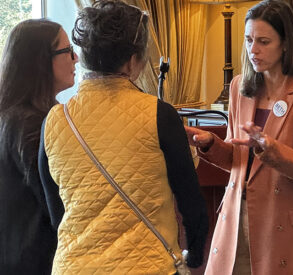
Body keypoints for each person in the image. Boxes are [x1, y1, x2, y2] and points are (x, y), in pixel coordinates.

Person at [38, 1, 208, 274]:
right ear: (133, 60)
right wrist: (195, 255)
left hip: (73, 266)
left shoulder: (55, 120)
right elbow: (191, 203)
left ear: (83, 56)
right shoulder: (159, 114)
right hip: (148, 265)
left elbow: (56, 210)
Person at [186, 0, 293, 274]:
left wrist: (271, 149)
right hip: (236, 221)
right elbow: (237, 161)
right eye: (249, 40)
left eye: (263, 41)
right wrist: (210, 144)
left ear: (286, 43)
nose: (253, 50)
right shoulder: (239, 87)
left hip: (283, 225)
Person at [0, 19, 78, 274]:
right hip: (36, 259)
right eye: (67, 51)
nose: (75, 58)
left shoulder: (12, 115)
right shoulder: (33, 123)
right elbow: (56, 200)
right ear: (41, 61)